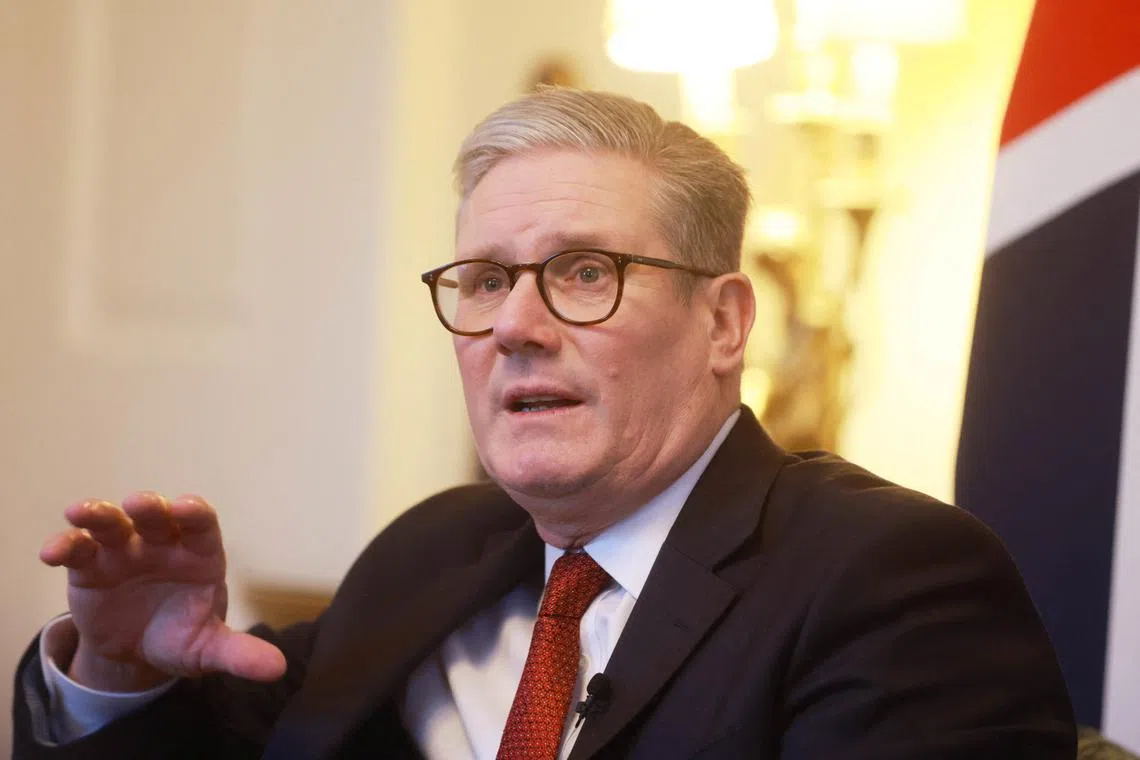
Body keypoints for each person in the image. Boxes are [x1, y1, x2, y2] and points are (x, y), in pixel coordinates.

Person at [12, 88, 1075, 759]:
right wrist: (121, 673)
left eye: (583, 272)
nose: (514, 325)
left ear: (723, 320)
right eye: (481, 280)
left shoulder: (888, 576)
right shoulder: (435, 551)